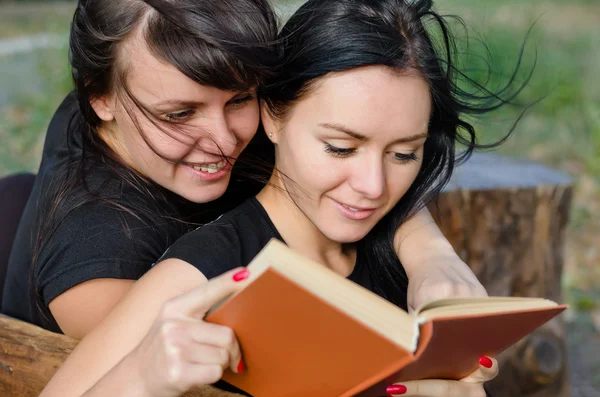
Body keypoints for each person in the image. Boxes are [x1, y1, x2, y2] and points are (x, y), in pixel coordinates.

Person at [39, 0, 532, 395]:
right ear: (276, 116)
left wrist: (431, 254)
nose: (374, 186)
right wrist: (140, 379)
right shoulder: (186, 271)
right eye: (340, 147)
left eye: (404, 154)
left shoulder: (392, 238)